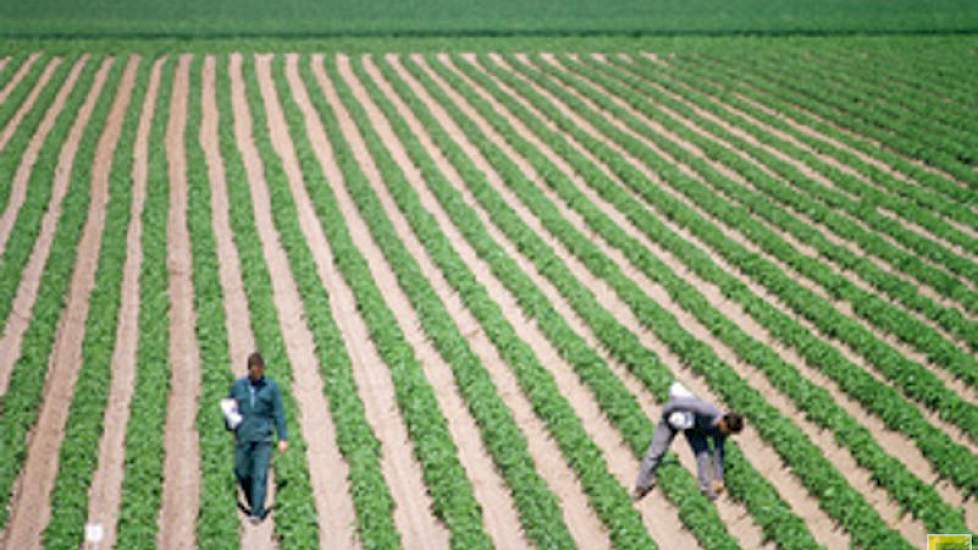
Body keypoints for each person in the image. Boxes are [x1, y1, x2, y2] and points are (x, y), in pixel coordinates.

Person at [632, 382, 744, 502]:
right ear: (723, 422)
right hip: (676, 418)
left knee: (704, 456)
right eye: (728, 431)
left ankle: (705, 489)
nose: (728, 434)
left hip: (694, 429)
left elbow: (718, 453)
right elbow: (677, 404)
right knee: (656, 452)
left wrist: (719, 478)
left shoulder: (722, 433)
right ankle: (641, 487)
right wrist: (666, 414)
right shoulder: (707, 410)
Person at [226, 352, 289, 524]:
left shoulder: (271, 387)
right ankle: (253, 500)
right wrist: (229, 424)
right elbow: (229, 409)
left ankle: (257, 511)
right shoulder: (238, 387)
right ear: (249, 369)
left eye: (260, 371)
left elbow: (279, 413)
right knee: (242, 471)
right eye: (254, 371)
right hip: (243, 436)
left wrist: (282, 437)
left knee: (260, 474)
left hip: (263, 438)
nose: (257, 374)